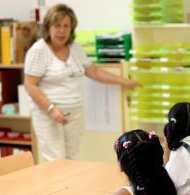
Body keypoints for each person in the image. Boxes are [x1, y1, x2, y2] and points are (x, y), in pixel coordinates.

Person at [24, 3, 140, 161]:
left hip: (74, 111)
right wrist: (51, 109)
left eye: (66, 26)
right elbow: (30, 85)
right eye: (57, 25)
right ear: (48, 27)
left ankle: (70, 187)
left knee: (72, 158)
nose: (62, 30)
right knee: (56, 160)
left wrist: (124, 81)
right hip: (48, 113)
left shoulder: (75, 49)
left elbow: (93, 71)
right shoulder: (39, 51)